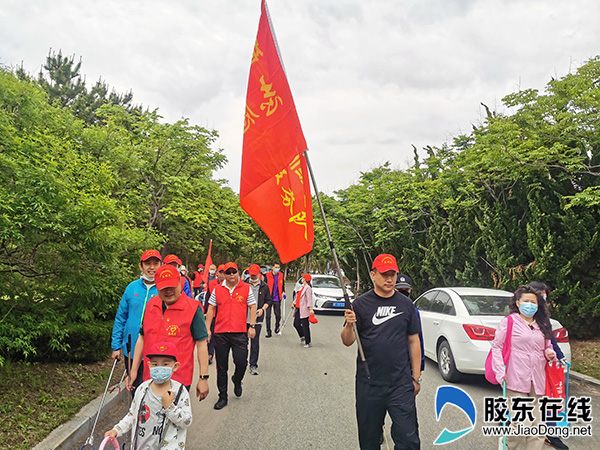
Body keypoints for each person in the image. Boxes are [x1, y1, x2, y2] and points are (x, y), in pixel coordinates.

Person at [341, 254, 421, 450]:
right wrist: (350, 325)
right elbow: (347, 341)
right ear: (373, 275)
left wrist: (416, 378)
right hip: (369, 383)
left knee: (409, 439)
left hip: (400, 383)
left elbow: (414, 340)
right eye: (384, 274)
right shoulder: (360, 305)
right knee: (368, 440)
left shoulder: (406, 305)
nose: (389, 279)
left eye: (393, 274)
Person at [127, 264, 210, 402]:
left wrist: (203, 378)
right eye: (163, 288)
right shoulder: (151, 305)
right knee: (150, 419)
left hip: (178, 379)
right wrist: (134, 369)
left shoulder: (193, 309)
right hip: (151, 376)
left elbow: (202, 345)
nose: (168, 291)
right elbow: (142, 338)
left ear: (180, 283)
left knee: (173, 419)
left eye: (172, 286)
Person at [491, 285, 556, 450]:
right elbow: (497, 347)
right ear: (518, 303)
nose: (530, 305)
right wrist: (500, 372)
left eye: (533, 302)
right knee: (523, 424)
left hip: (538, 379)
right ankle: (506, 444)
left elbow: (548, 346)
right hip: (515, 377)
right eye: (526, 301)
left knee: (538, 426)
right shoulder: (510, 321)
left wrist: (550, 353)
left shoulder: (542, 324)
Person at [105, 341, 192, 449]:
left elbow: (186, 421)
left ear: (175, 366)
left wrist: (170, 407)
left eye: (165, 364)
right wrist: (117, 430)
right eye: (155, 364)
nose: (159, 368)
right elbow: (132, 415)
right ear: (149, 365)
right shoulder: (142, 389)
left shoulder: (180, 392)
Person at [205, 262, 257, 410]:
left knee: (241, 362)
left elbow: (252, 306)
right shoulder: (217, 289)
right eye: (228, 272)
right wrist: (207, 329)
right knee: (221, 367)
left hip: (239, 332)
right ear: (224, 274)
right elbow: (211, 308)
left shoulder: (246, 288)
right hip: (221, 333)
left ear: (238, 272)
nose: (231, 275)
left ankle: (237, 379)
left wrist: (252, 326)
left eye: (234, 271)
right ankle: (223, 396)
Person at [111, 249, 162, 394]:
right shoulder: (131, 288)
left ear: (161, 265)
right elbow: (121, 317)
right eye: (148, 263)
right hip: (131, 347)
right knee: (135, 387)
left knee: (155, 389)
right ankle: (138, 415)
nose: (152, 267)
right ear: (141, 266)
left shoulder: (165, 289)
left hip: (156, 349)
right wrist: (116, 346)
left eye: (155, 263)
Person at [527, 281, 569, 450]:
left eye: (545, 295)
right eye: (541, 295)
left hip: (544, 366)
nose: (544, 298)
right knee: (521, 398)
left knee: (549, 399)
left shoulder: (544, 319)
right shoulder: (517, 320)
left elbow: (550, 340)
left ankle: (551, 434)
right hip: (524, 368)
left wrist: (560, 357)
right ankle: (508, 422)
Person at [245, 264, 272, 375]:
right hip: (243, 318)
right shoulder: (243, 284)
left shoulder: (264, 286)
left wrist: (262, 309)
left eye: (255, 275)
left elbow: (268, 301)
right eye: (252, 275)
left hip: (257, 318)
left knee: (255, 342)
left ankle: (253, 364)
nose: (253, 277)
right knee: (242, 342)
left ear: (259, 274)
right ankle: (242, 362)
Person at [395, 274, 425, 373]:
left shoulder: (413, 311)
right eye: (400, 290)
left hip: (406, 360)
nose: (403, 292)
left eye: (406, 290)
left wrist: (419, 368)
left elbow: (418, 339)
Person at [293, 273, 314, 348]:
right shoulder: (302, 287)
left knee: (305, 326)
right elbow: (298, 297)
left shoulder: (308, 288)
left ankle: (308, 342)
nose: (302, 278)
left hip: (304, 309)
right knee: (296, 323)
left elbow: (309, 299)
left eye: (303, 277)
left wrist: (310, 309)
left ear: (305, 279)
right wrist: (294, 303)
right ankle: (302, 336)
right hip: (298, 308)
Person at [265, 262, 284, 337]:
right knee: (268, 316)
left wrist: (283, 291)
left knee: (278, 315)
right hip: (268, 299)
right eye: (276, 267)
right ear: (272, 268)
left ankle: (277, 327)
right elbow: (264, 286)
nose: (277, 269)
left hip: (277, 298)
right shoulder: (267, 275)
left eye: (278, 267)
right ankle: (268, 331)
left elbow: (283, 285)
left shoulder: (281, 275)